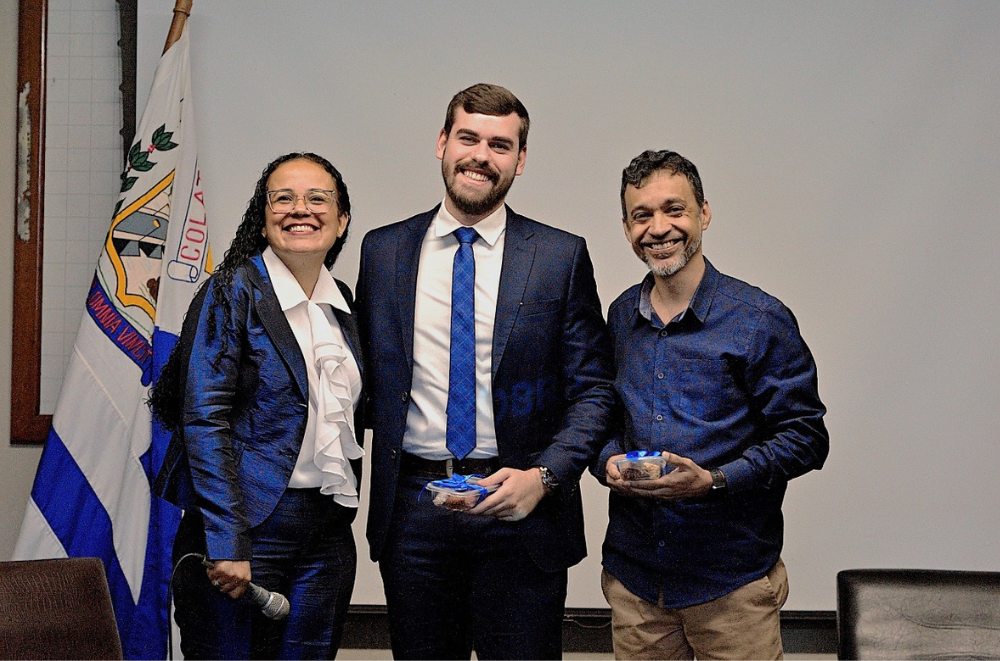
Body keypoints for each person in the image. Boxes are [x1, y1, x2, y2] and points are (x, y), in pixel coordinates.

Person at [356, 83, 615, 660]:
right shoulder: (382, 251)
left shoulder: (559, 256)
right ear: (443, 143)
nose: (481, 155)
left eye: (500, 144)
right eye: (467, 137)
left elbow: (594, 391)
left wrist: (544, 477)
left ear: (520, 161)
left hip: (521, 515)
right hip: (416, 514)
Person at [594, 149, 830, 660]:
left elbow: (807, 437)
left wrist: (715, 481)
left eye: (674, 210)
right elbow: (604, 417)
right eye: (642, 215)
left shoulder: (759, 319)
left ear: (704, 212)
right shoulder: (618, 319)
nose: (659, 228)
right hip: (637, 588)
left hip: (731, 588)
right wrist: (605, 459)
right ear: (626, 227)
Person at [151, 152, 364, 659]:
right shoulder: (232, 290)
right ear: (263, 217)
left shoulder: (345, 304)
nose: (300, 209)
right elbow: (203, 418)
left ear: (342, 221)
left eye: (318, 199)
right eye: (282, 198)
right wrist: (226, 541)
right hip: (245, 531)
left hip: (327, 536)